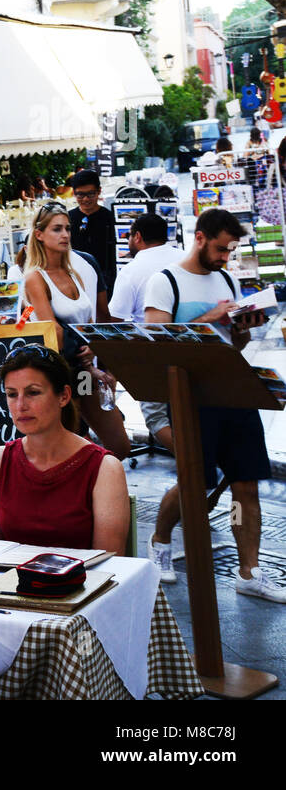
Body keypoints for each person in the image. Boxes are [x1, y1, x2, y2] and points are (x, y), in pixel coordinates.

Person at [143, 209, 286, 601]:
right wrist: (210, 317)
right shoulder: (166, 281)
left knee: (246, 483)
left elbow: (232, 345)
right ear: (201, 237)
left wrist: (240, 328)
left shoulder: (225, 278)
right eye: (222, 249)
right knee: (195, 482)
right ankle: (160, 541)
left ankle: (248, 569)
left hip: (233, 391)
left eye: (231, 251)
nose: (226, 258)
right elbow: (155, 345)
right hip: (191, 397)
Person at [0, 345, 129, 553]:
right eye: (12, 394)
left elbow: (109, 563)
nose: (20, 405)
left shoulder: (104, 468)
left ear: (64, 396)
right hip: (8, 584)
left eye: (33, 393)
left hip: (83, 584)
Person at [20, 200, 130, 460]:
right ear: (39, 235)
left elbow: (88, 323)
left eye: (67, 228)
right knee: (68, 449)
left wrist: (94, 353)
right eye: (57, 229)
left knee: (119, 445)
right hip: (59, 374)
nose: (65, 235)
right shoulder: (35, 277)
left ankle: (95, 483)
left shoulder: (74, 273)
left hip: (83, 370)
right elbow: (53, 333)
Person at [106, 214, 184, 451]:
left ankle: (196, 461)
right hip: (191, 347)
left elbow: (114, 320)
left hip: (153, 352)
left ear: (137, 237)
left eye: (129, 235)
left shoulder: (132, 270)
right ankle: (198, 458)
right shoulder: (185, 259)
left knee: (156, 419)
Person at [68, 169, 118, 297]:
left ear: (99, 191)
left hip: (106, 281)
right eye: (80, 195)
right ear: (73, 193)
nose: (85, 199)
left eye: (90, 194)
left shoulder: (110, 218)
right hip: (76, 280)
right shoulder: (68, 219)